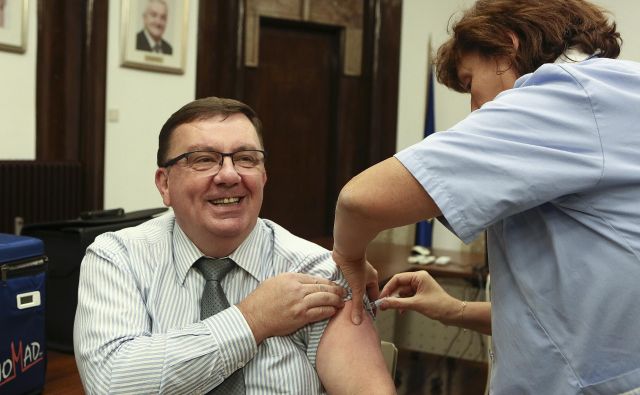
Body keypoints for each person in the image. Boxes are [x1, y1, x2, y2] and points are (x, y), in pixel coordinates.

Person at [332, 0, 640, 393]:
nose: (475, 106)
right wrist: (455, 310)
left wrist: (350, 256)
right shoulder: (619, 91)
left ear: (507, 47)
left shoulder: (567, 95)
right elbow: (579, 310)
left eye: (469, 82)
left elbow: (360, 199)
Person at [74, 97, 396, 394]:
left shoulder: (319, 272)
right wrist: (251, 319)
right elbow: (110, 382)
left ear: (264, 176)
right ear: (164, 183)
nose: (229, 175)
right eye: (203, 159)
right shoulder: (118, 258)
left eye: (245, 158)